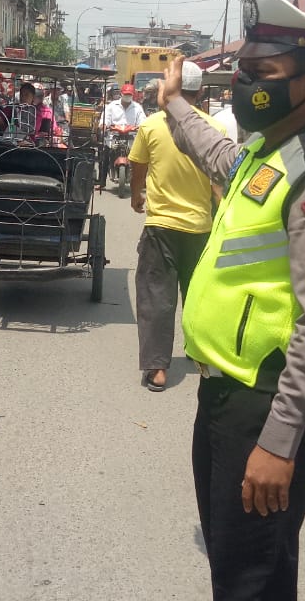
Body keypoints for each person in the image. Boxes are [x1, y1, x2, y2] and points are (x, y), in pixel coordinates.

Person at [159, 0, 305, 599]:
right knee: (258, 563)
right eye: (242, 70)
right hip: (230, 393)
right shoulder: (272, 152)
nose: (243, 83)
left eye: (262, 73)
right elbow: (217, 153)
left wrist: (279, 442)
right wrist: (175, 105)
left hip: (267, 401)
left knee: (245, 577)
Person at [128, 60, 225, 392]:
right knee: (200, 297)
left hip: (161, 226)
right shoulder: (213, 130)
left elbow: (138, 165)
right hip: (201, 228)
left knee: (157, 297)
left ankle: (157, 368)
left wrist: (136, 196)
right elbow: (220, 181)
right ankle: (206, 357)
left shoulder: (153, 125)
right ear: (200, 92)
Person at [99, 83, 146, 187]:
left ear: (133, 95)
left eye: (129, 94)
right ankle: (101, 182)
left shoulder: (137, 107)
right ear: (121, 94)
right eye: (125, 94)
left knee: (143, 157)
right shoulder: (112, 106)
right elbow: (105, 118)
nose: (127, 96)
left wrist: (142, 127)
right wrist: (104, 125)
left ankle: (143, 182)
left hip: (131, 137)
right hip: (113, 136)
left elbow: (142, 121)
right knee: (105, 155)